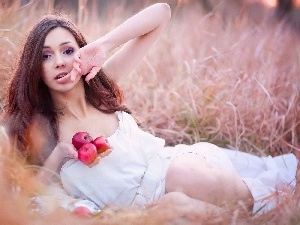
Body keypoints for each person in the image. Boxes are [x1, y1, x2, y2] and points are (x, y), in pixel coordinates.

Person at [1, 2, 297, 218]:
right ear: (35, 69)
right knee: (174, 210)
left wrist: (105, 43)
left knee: (185, 176)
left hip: (177, 167)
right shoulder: (42, 130)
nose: (60, 62)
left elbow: (162, 13)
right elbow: (27, 195)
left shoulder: (99, 90)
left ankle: (276, 200)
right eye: (46, 55)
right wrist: (57, 157)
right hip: (148, 211)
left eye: (67, 50)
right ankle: (257, 210)